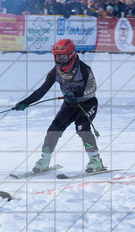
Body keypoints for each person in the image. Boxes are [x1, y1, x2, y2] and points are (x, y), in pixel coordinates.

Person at [12, 39, 104, 174]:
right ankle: (45, 159)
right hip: (70, 105)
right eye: (57, 57)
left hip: (88, 103)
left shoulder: (84, 69)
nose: (60, 60)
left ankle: (95, 160)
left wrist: (75, 94)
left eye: (63, 57)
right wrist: (25, 102)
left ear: (72, 55)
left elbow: (92, 88)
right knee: (53, 129)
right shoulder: (54, 72)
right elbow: (41, 91)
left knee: (82, 127)